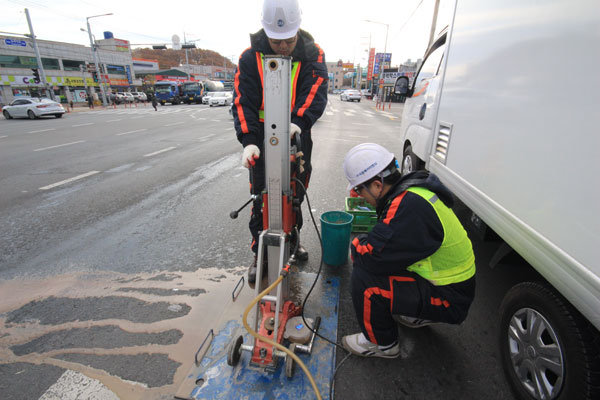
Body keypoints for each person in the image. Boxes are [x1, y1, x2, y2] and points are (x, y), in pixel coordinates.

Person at [341, 143, 476, 358]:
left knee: (364, 279)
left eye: (359, 189)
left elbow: (373, 256)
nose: (358, 195)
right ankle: (418, 311)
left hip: (450, 299)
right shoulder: (414, 189)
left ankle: (382, 344)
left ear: (377, 185)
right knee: (379, 263)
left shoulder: (407, 207)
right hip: (451, 285)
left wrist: (356, 244)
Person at [232, 0, 328, 285]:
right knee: (261, 195)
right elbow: (242, 100)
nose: (283, 47)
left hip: (297, 132)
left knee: (294, 194)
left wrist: (298, 122)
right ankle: (258, 252)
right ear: (265, 31)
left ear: (297, 30)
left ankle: (293, 241)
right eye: (276, 40)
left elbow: (316, 89)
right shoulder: (250, 57)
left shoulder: (312, 53)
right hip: (262, 136)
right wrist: (249, 141)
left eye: (288, 40)